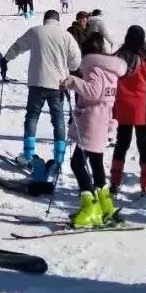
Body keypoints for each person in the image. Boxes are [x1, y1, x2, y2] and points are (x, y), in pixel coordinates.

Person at [61, 33, 127, 228]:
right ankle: (106, 205)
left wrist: (73, 81)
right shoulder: (111, 70)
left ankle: (90, 205)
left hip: (91, 120)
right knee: (96, 163)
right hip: (102, 119)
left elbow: (92, 92)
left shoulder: (94, 68)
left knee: (77, 163)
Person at [2, 10, 81, 167]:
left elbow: (18, 46)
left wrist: (6, 59)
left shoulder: (35, 31)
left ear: (45, 19)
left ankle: (28, 154)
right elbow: (75, 63)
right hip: (58, 85)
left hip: (37, 82)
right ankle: (59, 159)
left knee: (32, 116)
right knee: (58, 119)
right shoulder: (66, 36)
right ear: (58, 20)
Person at [110, 25, 146, 195]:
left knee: (121, 144)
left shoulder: (117, 57)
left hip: (122, 108)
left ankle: (115, 181)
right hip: (143, 108)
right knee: (144, 145)